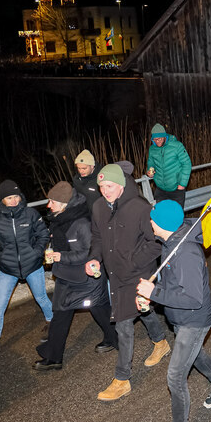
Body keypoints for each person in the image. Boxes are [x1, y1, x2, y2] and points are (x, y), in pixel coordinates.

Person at [135, 200, 211, 422]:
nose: (150, 222)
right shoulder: (170, 243)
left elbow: (193, 299)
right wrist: (152, 298)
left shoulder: (185, 252)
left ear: (163, 224)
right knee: (195, 355)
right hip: (180, 317)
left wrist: (155, 293)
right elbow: (173, 286)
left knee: (175, 376)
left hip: (194, 320)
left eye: (153, 219)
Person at [86, 164, 171, 401]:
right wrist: (93, 258)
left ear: (121, 185)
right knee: (142, 309)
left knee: (123, 323)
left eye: (110, 186)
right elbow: (97, 237)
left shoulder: (140, 207)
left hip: (138, 273)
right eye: (101, 187)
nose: (105, 191)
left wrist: (134, 261)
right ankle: (161, 342)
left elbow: (155, 242)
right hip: (114, 274)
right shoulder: (98, 207)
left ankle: (122, 379)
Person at [34, 182, 116, 370]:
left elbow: (89, 253)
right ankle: (53, 357)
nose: (48, 205)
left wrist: (61, 256)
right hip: (66, 275)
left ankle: (116, 338)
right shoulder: (59, 219)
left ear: (64, 204)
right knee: (59, 314)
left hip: (87, 277)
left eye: (52, 202)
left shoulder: (82, 223)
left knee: (100, 311)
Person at [0, 180, 53, 361]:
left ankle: (53, 323)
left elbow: (43, 234)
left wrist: (36, 253)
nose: (13, 201)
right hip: (8, 268)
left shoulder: (31, 214)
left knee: (41, 297)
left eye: (16, 196)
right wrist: (0, 257)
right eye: (9, 198)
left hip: (32, 265)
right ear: (2, 199)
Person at [146, 123, 192, 207]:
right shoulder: (152, 149)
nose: (157, 141)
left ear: (165, 136)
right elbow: (151, 162)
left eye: (159, 139)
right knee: (161, 213)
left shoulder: (177, 146)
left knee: (176, 214)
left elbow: (187, 164)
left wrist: (182, 184)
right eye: (155, 139)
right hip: (160, 189)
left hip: (176, 189)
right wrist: (150, 170)